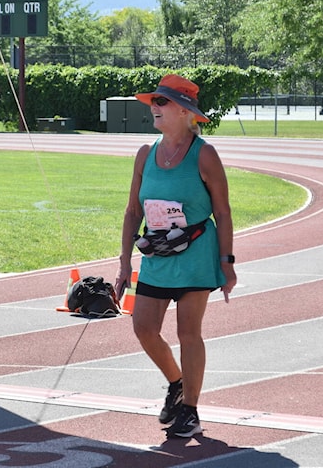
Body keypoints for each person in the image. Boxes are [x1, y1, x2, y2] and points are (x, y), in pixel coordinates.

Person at [115, 74, 236, 439]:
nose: (155, 107)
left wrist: (227, 262)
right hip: (158, 253)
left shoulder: (205, 155)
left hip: (196, 254)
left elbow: (224, 212)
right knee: (143, 328)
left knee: (188, 332)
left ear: (185, 112)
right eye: (154, 101)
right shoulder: (145, 153)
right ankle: (176, 382)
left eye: (162, 102)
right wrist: (124, 262)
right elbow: (132, 212)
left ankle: (190, 410)